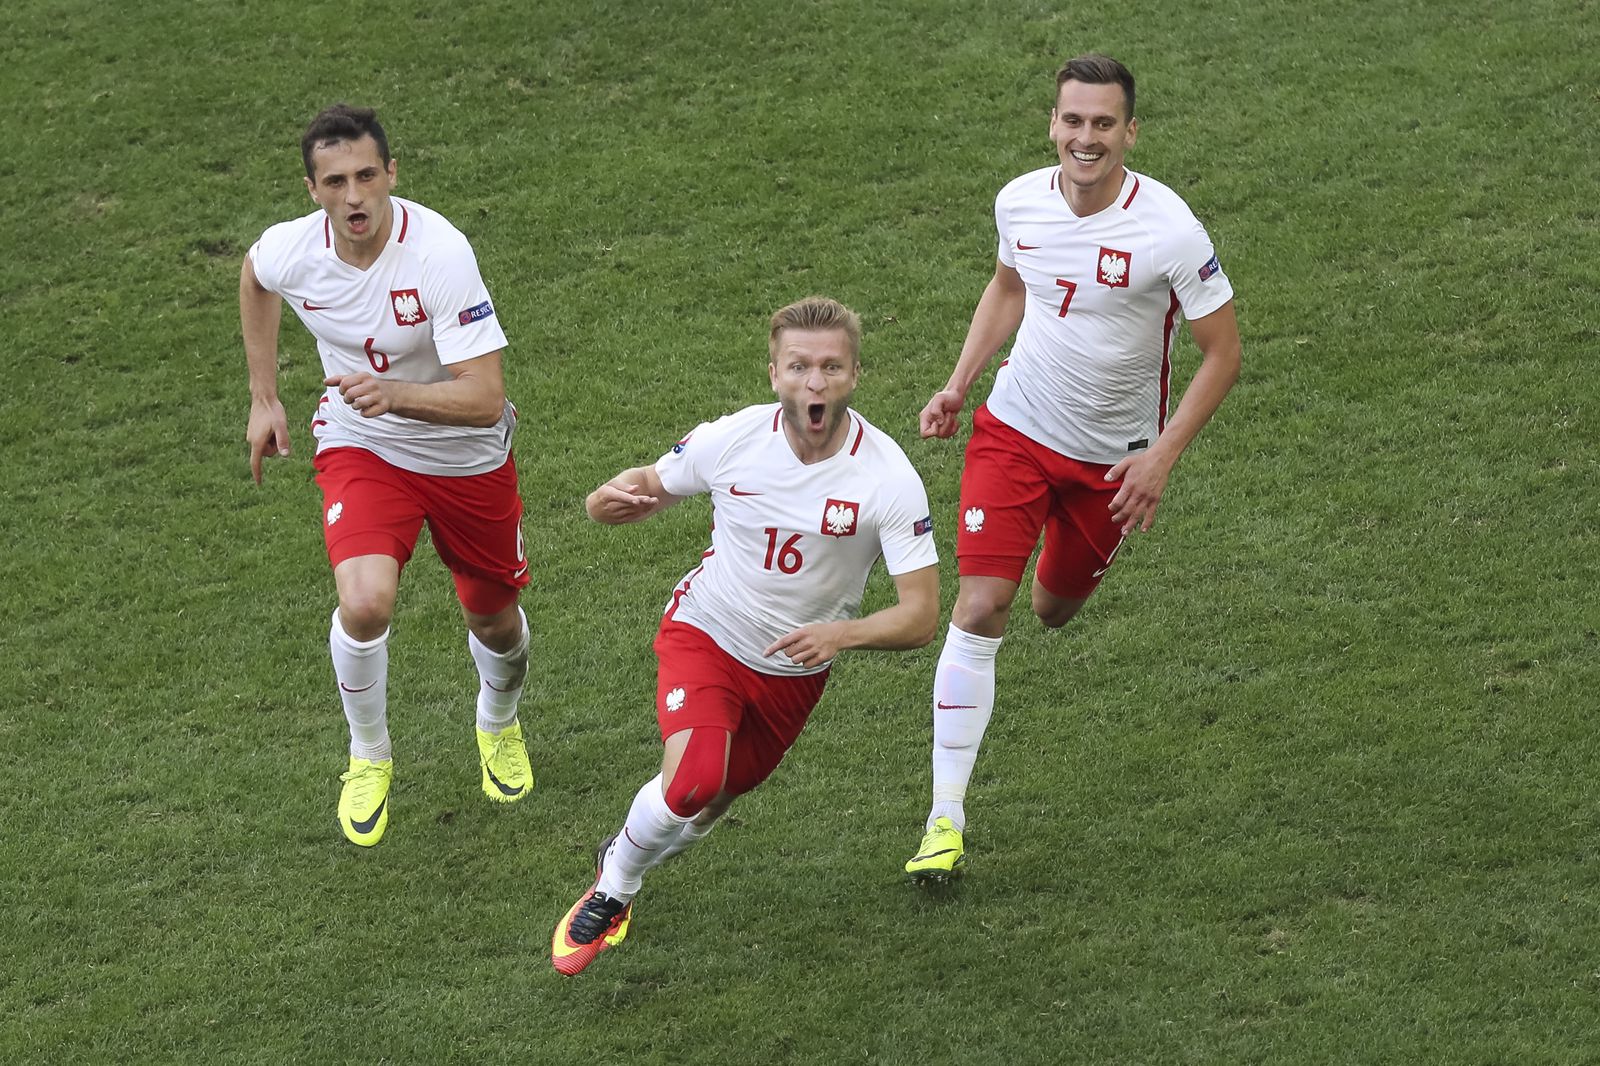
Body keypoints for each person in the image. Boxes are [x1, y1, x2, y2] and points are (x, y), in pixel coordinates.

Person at [904, 55, 1243, 881]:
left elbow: (1223, 355)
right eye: (1072, 121)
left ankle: (1068, 562)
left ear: (1130, 132)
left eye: (1102, 124)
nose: (1084, 139)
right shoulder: (1019, 200)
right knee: (982, 605)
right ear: (1052, 123)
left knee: (1054, 610)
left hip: (1112, 467)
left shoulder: (1169, 229)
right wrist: (958, 384)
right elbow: (1008, 287)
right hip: (1013, 432)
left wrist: (1159, 459)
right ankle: (944, 820)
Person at [552, 296, 940, 975]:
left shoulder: (888, 479)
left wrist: (842, 635)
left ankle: (628, 843)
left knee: (708, 804)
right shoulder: (733, 439)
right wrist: (605, 500)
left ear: (854, 375)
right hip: (707, 631)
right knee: (695, 781)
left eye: (830, 367)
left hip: (792, 674)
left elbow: (921, 615)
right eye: (799, 367)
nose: (814, 383)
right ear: (774, 374)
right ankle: (614, 886)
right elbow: (650, 485)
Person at [240, 104, 534, 847]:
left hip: (466, 457)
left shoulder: (439, 253)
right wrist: (264, 396)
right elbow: (255, 276)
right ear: (311, 189)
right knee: (364, 604)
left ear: (392, 174)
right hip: (362, 446)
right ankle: (368, 753)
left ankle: (497, 724)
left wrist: (396, 394)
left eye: (367, 176)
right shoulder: (294, 249)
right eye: (335, 181)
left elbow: (486, 397)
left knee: (494, 620)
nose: (354, 196)